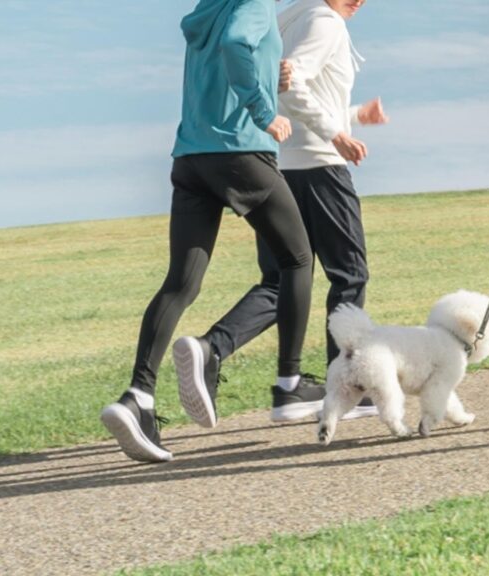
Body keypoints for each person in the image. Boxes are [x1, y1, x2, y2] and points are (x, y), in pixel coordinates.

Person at [100, 0, 310, 462]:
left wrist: (268, 81)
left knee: (182, 283)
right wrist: (263, 110)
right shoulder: (253, 2)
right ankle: (290, 383)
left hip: (191, 158)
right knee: (296, 260)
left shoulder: (209, 7)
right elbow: (237, 42)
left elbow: (227, 62)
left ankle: (139, 397)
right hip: (238, 153)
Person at [172, 0, 389, 427]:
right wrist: (338, 134)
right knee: (349, 274)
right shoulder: (324, 21)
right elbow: (293, 84)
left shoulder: (284, 19)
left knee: (282, 278)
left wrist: (352, 115)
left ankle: (212, 349)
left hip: (281, 166)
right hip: (321, 166)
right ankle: (343, 388)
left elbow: (280, 84)